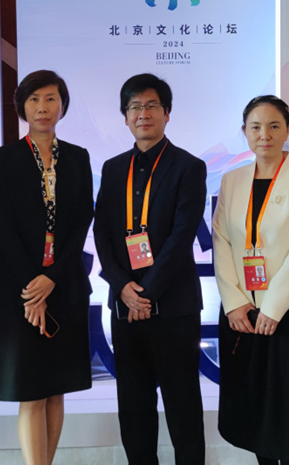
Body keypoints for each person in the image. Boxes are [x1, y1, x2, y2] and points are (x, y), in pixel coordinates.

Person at [93, 73, 207, 465]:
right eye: (135, 107)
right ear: (125, 116)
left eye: (152, 105)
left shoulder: (188, 167)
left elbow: (182, 235)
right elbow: (102, 233)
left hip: (174, 308)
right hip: (125, 308)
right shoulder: (113, 169)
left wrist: (147, 293)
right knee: (134, 409)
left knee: (183, 407)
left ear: (167, 113)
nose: (143, 113)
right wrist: (123, 286)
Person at [212, 95, 289, 465]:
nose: (265, 135)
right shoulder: (232, 181)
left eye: (274, 126)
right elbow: (221, 241)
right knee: (254, 405)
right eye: (256, 127)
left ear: (288, 130)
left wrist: (273, 308)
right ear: (245, 132)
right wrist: (234, 303)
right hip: (243, 316)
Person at [0, 70, 94, 465]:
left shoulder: (78, 158)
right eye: (34, 99)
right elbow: (2, 228)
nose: (43, 107)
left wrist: (51, 279)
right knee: (30, 391)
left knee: (55, 389)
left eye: (51, 98)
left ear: (62, 105)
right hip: (18, 290)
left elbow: (81, 222)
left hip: (64, 286)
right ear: (22, 107)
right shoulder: (2, 160)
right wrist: (33, 287)